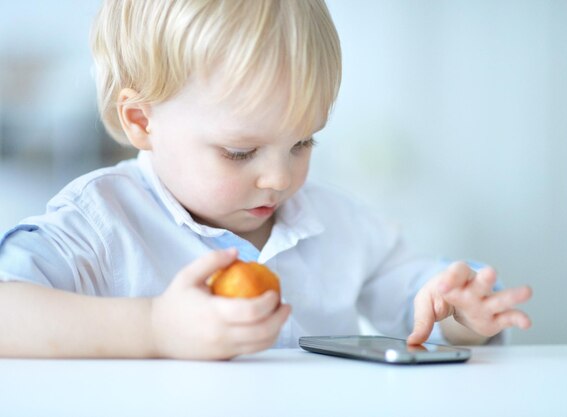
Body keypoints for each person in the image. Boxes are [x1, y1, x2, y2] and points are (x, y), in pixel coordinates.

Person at [0, 0, 532, 360]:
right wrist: (155, 327)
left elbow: (418, 306)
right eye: (240, 152)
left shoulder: (339, 225)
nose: (280, 177)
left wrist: (460, 316)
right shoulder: (102, 221)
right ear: (142, 122)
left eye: (303, 143)